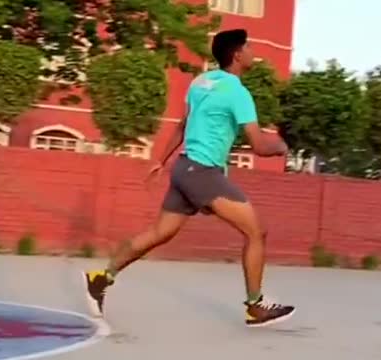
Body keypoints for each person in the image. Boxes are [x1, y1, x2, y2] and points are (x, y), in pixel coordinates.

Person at [82, 29, 295, 328]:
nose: (252, 51)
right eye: (248, 46)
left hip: (184, 168)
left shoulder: (201, 82)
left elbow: (183, 125)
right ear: (236, 54)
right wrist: (282, 146)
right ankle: (255, 305)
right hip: (203, 172)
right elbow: (259, 145)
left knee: (160, 233)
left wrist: (160, 160)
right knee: (256, 233)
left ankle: (102, 277)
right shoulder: (237, 92)